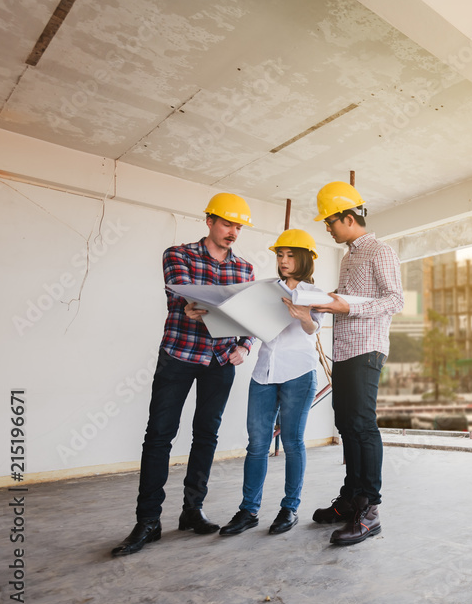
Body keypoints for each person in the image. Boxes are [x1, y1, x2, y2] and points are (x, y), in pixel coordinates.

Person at [111, 193, 255, 557]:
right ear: (209, 221)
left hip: (220, 360)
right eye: (227, 224)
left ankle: (192, 511)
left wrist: (245, 346)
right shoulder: (178, 254)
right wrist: (199, 306)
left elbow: (251, 316)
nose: (233, 232)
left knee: (206, 435)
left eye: (238, 226)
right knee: (159, 435)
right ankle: (148, 521)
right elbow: (183, 297)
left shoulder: (246, 270)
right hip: (179, 354)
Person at [310, 181, 402, 546]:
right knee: (346, 424)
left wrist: (345, 305)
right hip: (344, 350)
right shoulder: (349, 256)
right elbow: (347, 298)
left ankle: (370, 511)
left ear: (349, 218)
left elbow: (395, 299)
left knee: (362, 425)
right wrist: (323, 299)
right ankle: (351, 499)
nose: (327, 228)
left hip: (367, 348)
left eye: (329, 222)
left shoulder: (380, 251)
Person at [220, 229, 324, 536]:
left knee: (292, 443)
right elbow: (250, 324)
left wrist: (303, 315)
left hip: (299, 373)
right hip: (263, 373)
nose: (284, 261)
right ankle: (248, 510)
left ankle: (289, 507)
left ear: (305, 258)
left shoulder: (313, 293)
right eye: (280, 255)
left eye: (291, 255)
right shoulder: (266, 289)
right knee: (256, 445)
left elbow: (312, 329)